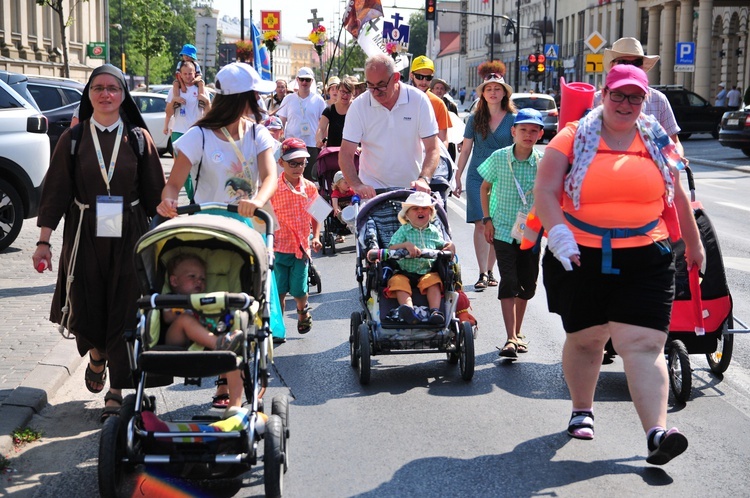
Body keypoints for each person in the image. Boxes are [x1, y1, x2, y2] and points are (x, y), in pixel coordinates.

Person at [533, 64, 704, 465]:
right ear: (603, 94)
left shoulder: (658, 140)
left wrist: (694, 243)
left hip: (647, 254)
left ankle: (656, 434)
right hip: (579, 254)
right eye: (619, 95)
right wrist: (557, 234)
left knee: (643, 344)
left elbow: (677, 193)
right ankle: (582, 408)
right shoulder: (572, 137)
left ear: (645, 101)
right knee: (587, 339)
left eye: (635, 97)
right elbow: (545, 189)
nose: (626, 104)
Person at [32, 64, 166, 422]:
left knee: (126, 308)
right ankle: (96, 353)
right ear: (89, 95)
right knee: (87, 301)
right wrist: (43, 242)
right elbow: (55, 193)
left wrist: (168, 236)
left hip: (131, 234)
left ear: (123, 96)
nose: (105, 94)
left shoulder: (138, 138)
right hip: (84, 232)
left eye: (112, 88)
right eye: (98, 88)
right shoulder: (72, 140)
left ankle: (116, 391)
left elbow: (157, 195)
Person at [155, 62, 282, 406]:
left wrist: (256, 200)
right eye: (254, 96)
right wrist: (168, 203)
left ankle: (231, 384)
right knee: (211, 298)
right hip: (206, 228)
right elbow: (174, 184)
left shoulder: (258, 133)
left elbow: (270, 176)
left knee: (244, 303)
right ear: (243, 98)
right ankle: (226, 381)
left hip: (246, 228)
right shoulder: (197, 135)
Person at [478, 108, 544, 359]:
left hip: (531, 233)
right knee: (509, 280)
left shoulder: (542, 162)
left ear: (540, 133)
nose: (528, 135)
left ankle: (518, 333)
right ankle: (510, 338)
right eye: (523, 130)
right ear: (513, 132)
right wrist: (487, 220)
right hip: (504, 229)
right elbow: (484, 187)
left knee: (527, 284)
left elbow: (550, 195)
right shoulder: (499, 158)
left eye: (533, 130)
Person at [339, 53, 440, 200]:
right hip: (373, 191)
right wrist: (357, 185)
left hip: (411, 190)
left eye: (381, 85)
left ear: (396, 78)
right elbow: (346, 154)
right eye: (370, 86)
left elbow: (433, 148)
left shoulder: (419, 100)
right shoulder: (359, 106)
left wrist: (424, 179)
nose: (375, 92)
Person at [454, 73, 516, 291]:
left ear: (504, 93)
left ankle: (491, 271)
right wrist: (458, 175)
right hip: (477, 176)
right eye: (488, 89)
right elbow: (466, 149)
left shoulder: (512, 119)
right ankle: (481, 272)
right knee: (480, 224)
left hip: (503, 177)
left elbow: (519, 150)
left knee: (496, 226)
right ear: (483, 93)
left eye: (497, 89)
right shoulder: (474, 118)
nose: (493, 92)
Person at [162, 254, 245, 407]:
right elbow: (167, 317)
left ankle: (235, 406)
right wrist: (186, 308)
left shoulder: (208, 301)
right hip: (176, 342)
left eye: (202, 278)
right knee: (185, 320)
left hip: (204, 345)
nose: (198, 281)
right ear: (174, 281)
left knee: (235, 355)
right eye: (192, 276)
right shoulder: (170, 298)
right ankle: (219, 343)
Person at [597, 37, 685, 157]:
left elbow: (674, 143)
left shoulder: (659, 99)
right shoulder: (594, 100)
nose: (630, 68)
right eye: (623, 62)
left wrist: (676, 159)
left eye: (636, 63)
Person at [270, 138, 323, 334]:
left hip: (301, 248)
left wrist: (316, 236)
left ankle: (302, 312)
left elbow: (317, 214)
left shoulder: (309, 187)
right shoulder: (273, 188)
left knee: (300, 289)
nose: (298, 167)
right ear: (281, 162)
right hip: (278, 248)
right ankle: (278, 326)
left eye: (302, 163)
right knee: (280, 291)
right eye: (293, 163)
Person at [386, 191, 455, 325]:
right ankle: (408, 311)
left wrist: (450, 245)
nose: (420, 211)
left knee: (434, 282)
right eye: (415, 209)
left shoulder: (434, 231)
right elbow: (391, 248)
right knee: (398, 282)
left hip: (427, 271)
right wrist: (405, 245)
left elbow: (442, 244)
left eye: (424, 208)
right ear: (407, 215)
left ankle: (435, 311)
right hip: (404, 271)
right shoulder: (404, 230)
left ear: (431, 213)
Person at [277, 67, 327, 182]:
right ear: (297, 80)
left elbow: (323, 125)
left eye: (307, 80)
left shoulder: (319, 100)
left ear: (312, 81)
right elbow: (281, 122)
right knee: (291, 177)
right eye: (302, 79)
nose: (304, 82)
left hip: (311, 145)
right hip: (291, 145)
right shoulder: (288, 99)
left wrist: (324, 142)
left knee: (310, 179)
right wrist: (280, 139)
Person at [163, 60, 211, 145]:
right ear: (180, 75)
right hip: (178, 132)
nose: (188, 76)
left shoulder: (202, 90)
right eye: (185, 74)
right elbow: (168, 113)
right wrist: (174, 101)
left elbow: (209, 114)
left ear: (195, 73)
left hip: (196, 132)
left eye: (190, 74)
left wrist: (207, 102)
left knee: (196, 159)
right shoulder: (174, 90)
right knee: (178, 158)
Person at [410, 56, 451, 150]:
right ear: (411, 75)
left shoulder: (438, 104)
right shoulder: (401, 99)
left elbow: (443, 139)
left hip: (428, 159)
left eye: (428, 78)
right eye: (419, 77)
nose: (424, 81)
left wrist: (438, 159)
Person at [315, 77, 354, 148]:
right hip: (332, 152)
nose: (345, 95)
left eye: (348, 92)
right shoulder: (329, 110)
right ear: (338, 91)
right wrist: (319, 139)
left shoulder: (355, 110)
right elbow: (321, 128)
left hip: (351, 150)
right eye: (342, 92)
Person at [430, 77, 459, 160]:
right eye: (437, 88)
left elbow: (457, 125)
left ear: (445, 91)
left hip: (449, 142)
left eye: (442, 89)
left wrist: (460, 142)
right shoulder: (427, 103)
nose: (439, 91)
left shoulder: (451, 106)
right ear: (432, 90)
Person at [331, 170, 354, 243]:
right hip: (341, 209)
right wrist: (336, 209)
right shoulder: (336, 192)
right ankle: (341, 217)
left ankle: (348, 223)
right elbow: (334, 201)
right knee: (338, 208)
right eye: (345, 182)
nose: (348, 184)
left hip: (349, 208)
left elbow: (354, 197)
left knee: (352, 207)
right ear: (338, 184)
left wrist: (351, 204)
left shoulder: (351, 191)